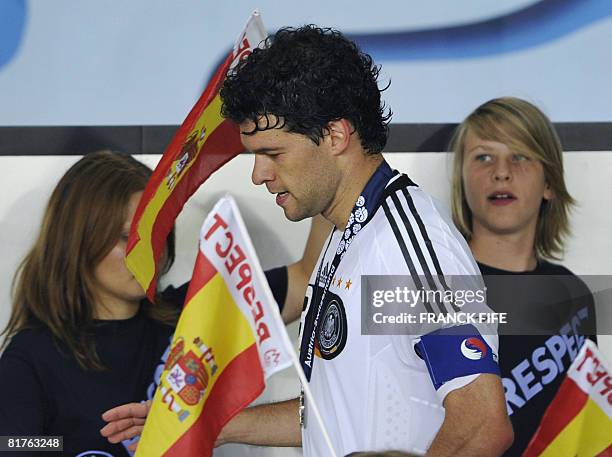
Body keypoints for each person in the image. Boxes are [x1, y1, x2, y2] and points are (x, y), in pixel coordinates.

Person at [102, 26, 513, 456]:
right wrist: (208, 422)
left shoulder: (407, 244)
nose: (258, 174)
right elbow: (332, 414)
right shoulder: (345, 234)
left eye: (273, 153)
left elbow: (482, 423)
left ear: (335, 136)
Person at [0, 150, 316, 456]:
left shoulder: (192, 313)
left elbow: (307, 281)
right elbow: (14, 444)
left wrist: (328, 173)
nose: (148, 251)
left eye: (155, 233)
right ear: (76, 241)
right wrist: (67, 446)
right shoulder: (30, 356)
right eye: (127, 237)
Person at [448, 96, 597, 456]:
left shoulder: (573, 294)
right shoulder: (437, 288)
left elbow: (585, 425)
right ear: (462, 180)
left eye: (520, 156)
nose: (501, 172)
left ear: (549, 184)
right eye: (483, 157)